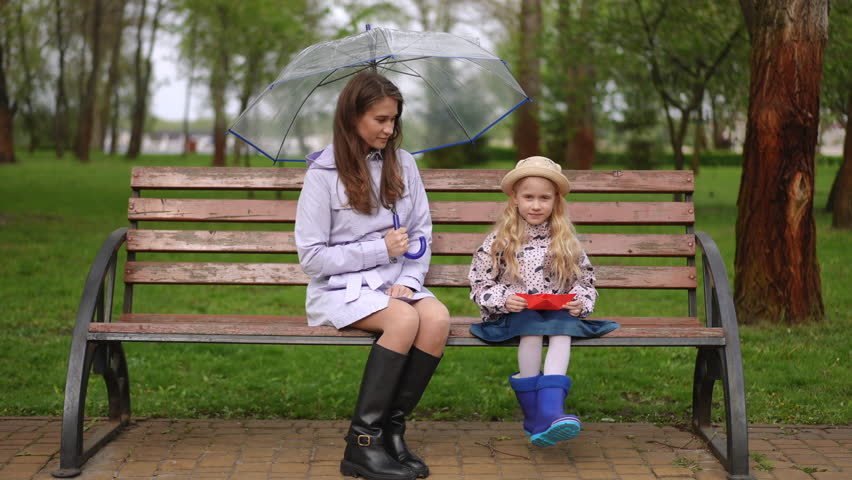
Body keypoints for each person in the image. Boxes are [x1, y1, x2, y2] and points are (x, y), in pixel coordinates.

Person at [295, 71, 450, 480]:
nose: (390, 128)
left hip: (395, 283)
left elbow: (420, 234)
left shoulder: (405, 165)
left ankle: (390, 434)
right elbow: (312, 258)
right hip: (340, 289)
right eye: (380, 119)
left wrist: (412, 281)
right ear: (352, 117)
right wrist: (378, 250)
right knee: (404, 318)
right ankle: (362, 445)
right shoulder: (322, 174)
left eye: (394, 119)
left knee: (436, 319)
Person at [468, 156, 619, 447]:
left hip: (556, 312)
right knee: (533, 331)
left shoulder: (565, 240)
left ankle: (549, 413)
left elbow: (585, 281)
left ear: (556, 201)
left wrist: (580, 302)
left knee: (562, 330)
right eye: (528, 197)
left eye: (544, 198)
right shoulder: (499, 241)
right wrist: (504, 299)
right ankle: (537, 415)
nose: (536, 205)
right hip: (514, 314)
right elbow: (480, 284)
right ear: (514, 199)